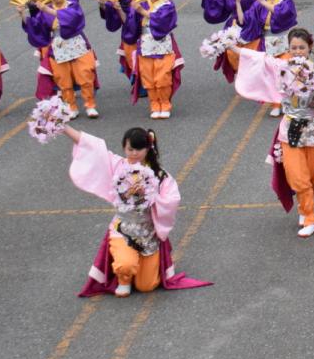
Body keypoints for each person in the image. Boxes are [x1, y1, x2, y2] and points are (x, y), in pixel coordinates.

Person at [61, 124, 210, 297]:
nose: (134, 154)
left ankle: (135, 269)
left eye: (139, 149)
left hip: (148, 232)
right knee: (125, 265)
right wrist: (63, 127)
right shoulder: (117, 166)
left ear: (148, 149)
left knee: (147, 286)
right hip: (123, 228)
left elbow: (172, 199)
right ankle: (123, 277)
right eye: (130, 149)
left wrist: (150, 196)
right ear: (124, 147)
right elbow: (92, 147)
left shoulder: (159, 175)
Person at [235, 28, 314, 237]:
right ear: (288, 49)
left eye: (301, 48)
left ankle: (305, 208)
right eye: (293, 48)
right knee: (297, 175)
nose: (297, 52)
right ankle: (311, 217)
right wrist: (232, 47)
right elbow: (259, 59)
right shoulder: (281, 66)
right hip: (290, 130)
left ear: (310, 48)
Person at [20, 0, 100, 118]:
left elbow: (73, 18)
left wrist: (48, 11)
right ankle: (71, 106)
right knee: (63, 80)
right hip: (58, 46)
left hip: (76, 44)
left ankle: (90, 105)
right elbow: (38, 28)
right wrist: (23, 14)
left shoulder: (72, 5)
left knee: (85, 74)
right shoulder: (46, 8)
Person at [237, 0, 297, 117]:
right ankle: (276, 104)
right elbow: (244, 20)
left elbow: (281, 13)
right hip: (268, 43)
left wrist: (262, 1)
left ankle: (289, 102)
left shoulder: (286, 1)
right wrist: (237, 2)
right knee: (272, 75)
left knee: (287, 73)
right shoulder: (259, 4)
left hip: (285, 42)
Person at [131, 0, 183, 119]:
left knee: (162, 78)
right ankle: (154, 105)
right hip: (145, 45)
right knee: (149, 78)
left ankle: (165, 104)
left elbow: (162, 22)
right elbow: (133, 23)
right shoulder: (142, 3)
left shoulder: (168, 5)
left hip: (163, 46)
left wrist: (141, 11)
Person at [200, 0, 258, 82]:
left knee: (249, 51)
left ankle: (252, 75)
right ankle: (241, 74)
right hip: (233, 24)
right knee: (231, 53)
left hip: (250, 23)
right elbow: (215, 0)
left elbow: (246, 1)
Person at [98, 0, 141, 83]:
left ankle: (143, 83)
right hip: (128, 30)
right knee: (131, 58)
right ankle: (139, 82)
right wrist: (102, 4)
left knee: (145, 58)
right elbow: (111, 8)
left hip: (142, 30)